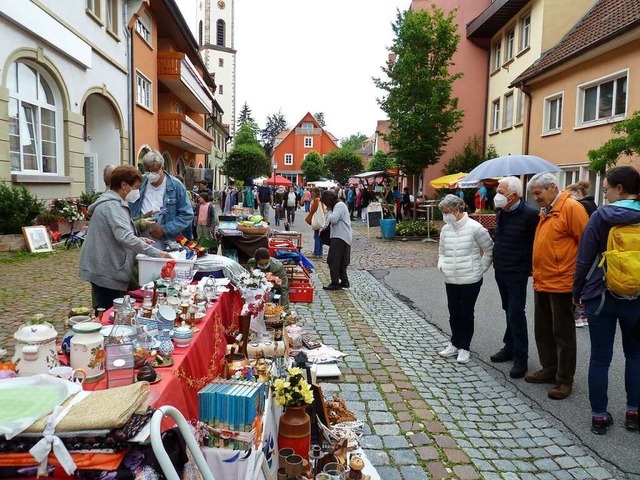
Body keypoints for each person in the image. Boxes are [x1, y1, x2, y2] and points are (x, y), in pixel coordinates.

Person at [573, 166, 640, 435]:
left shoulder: (602, 215)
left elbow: (584, 257)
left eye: (607, 190)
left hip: (600, 295)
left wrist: (577, 291)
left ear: (619, 188)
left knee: (600, 358)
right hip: (637, 297)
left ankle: (599, 417)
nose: (606, 195)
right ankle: (634, 412)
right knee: (635, 354)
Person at [525, 172, 589, 400]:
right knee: (543, 329)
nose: (535, 199)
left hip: (562, 282)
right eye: (533, 195)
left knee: (562, 333)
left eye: (538, 193)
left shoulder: (570, 208)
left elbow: (587, 243)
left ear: (552, 187)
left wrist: (580, 281)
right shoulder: (548, 210)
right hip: (543, 280)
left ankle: (564, 379)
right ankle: (549, 368)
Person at [80, 165, 171, 311]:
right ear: (124, 185)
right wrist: (157, 253)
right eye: (135, 187)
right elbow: (124, 237)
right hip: (106, 271)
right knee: (110, 313)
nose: (137, 191)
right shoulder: (112, 206)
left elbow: (116, 233)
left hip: (106, 268)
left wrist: (138, 239)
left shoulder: (114, 204)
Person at [490, 177, 540, 378]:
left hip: (517, 271)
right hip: (501, 268)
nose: (498, 196)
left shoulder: (530, 214)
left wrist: (528, 267)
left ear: (514, 195)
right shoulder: (501, 211)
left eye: (501, 192)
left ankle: (521, 358)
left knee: (516, 313)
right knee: (507, 309)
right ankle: (509, 346)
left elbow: (534, 244)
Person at [437, 194, 494, 365]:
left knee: (466, 314)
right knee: (453, 313)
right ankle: (455, 343)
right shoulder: (446, 229)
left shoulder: (475, 228)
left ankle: (465, 347)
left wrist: (480, 269)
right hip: (451, 278)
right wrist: (442, 265)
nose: (445, 216)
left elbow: (489, 250)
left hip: (470, 279)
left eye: (446, 212)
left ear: (456, 209)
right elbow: (442, 251)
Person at [129, 150, 194, 249]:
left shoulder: (176, 186)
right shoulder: (139, 183)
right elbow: (130, 208)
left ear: (162, 168)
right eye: (147, 171)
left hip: (167, 241)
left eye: (154, 171)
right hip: (141, 240)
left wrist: (165, 229)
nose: (150, 174)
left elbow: (187, 215)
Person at [565, 180, 598, 327]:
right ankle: (584, 315)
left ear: (577, 193)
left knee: (578, 281)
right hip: (593, 249)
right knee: (587, 281)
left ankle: (578, 316)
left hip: (581, 249)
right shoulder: (593, 205)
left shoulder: (580, 206)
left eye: (569, 194)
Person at [321, 190, 352, 290]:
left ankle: (335, 282)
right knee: (342, 261)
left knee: (333, 260)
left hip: (340, 236)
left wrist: (329, 211)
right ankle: (344, 281)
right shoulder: (340, 205)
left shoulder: (339, 206)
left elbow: (333, 219)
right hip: (343, 236)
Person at [305, 187, 324, 258]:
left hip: (318, 220)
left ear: (315, 192)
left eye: (312, 192)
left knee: (317, 237)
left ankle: (316, 253)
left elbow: (313, 210)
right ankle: (320, 252)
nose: (311, 193)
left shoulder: (316, 200)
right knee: (320, 237)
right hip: (321, 220)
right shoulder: (321, 200)